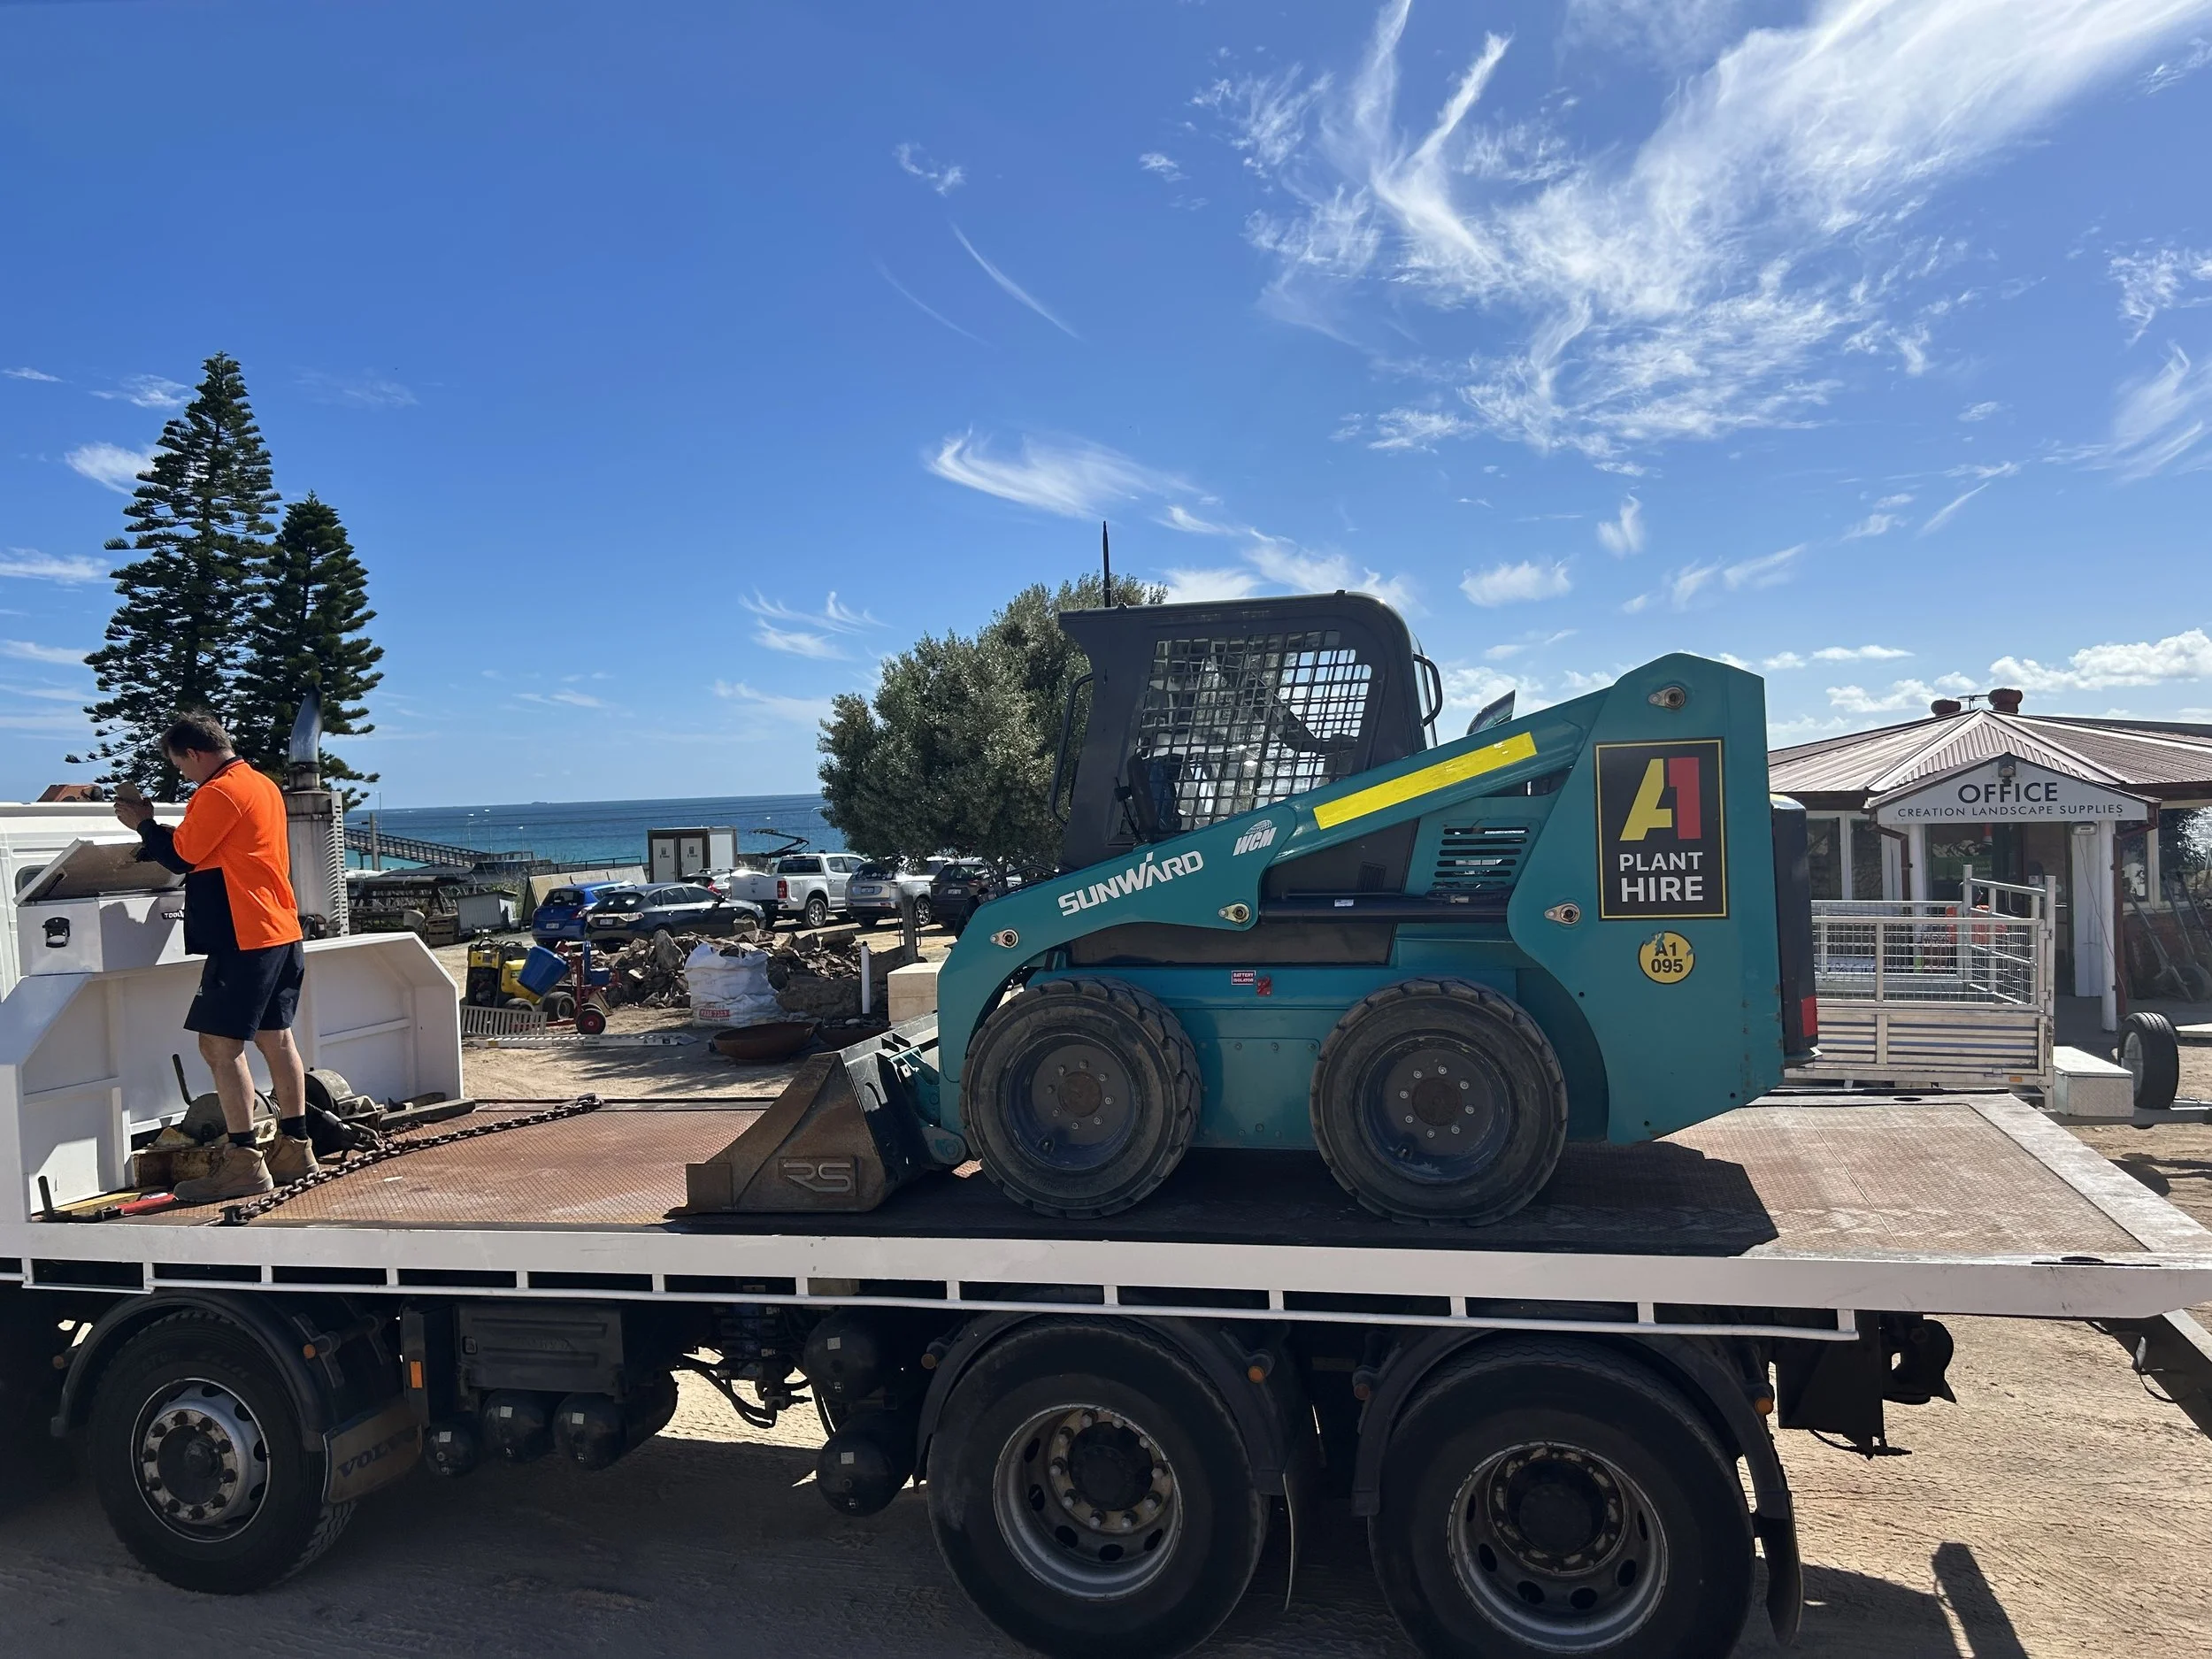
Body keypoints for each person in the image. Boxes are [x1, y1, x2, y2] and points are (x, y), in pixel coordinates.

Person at [114, 713, 316, 1203]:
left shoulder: (217, 792)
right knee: (276, 1038)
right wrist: (159, 830)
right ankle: (295, 1147)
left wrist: (142, 823)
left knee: (218, 1049)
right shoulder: (261, 784)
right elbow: (212, 849)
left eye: (179, 764)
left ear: (196, 754)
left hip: (242, 936)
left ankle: (243, 1161)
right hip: (279, 928)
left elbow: (182, 857)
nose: (182, 774)